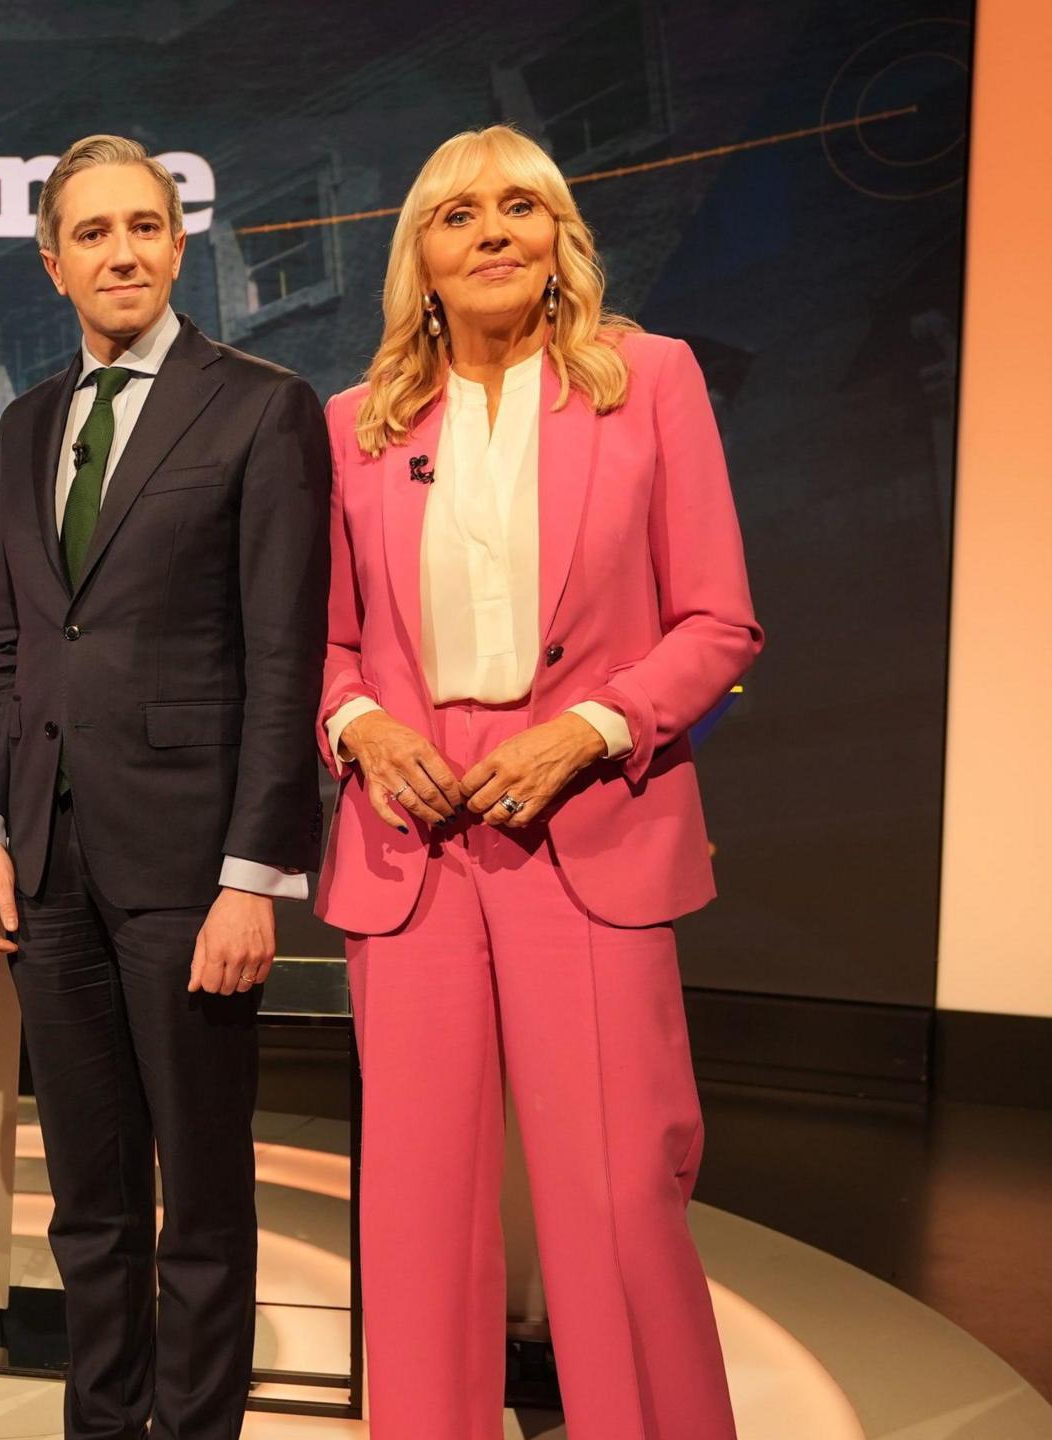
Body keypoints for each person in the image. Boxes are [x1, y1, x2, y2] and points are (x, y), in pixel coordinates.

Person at [318, 124, 761, 1439]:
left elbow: (718, 621)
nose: (494, 230)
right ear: (422, 259)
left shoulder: (650, 381)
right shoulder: (356, 425)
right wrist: (360, 726)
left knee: (618, 1192)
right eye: (459, 214)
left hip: (587, 819)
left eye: (522, 205)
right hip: (408, 839)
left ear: (563, 237)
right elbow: (324, 646)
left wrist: (586, 731)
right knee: (421, 1205)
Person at [0, 134, 331, 1440]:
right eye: (94, 233)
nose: (121, 252)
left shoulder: (261, 404)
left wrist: (255, 878)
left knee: (205, 1201)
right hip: (48, 868)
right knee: (89, 1200)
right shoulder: (23, 427)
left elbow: (285, 654)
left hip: (191, 872)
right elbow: (12, 644)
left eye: (145, 228)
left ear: (177, 247)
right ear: (52, 260)